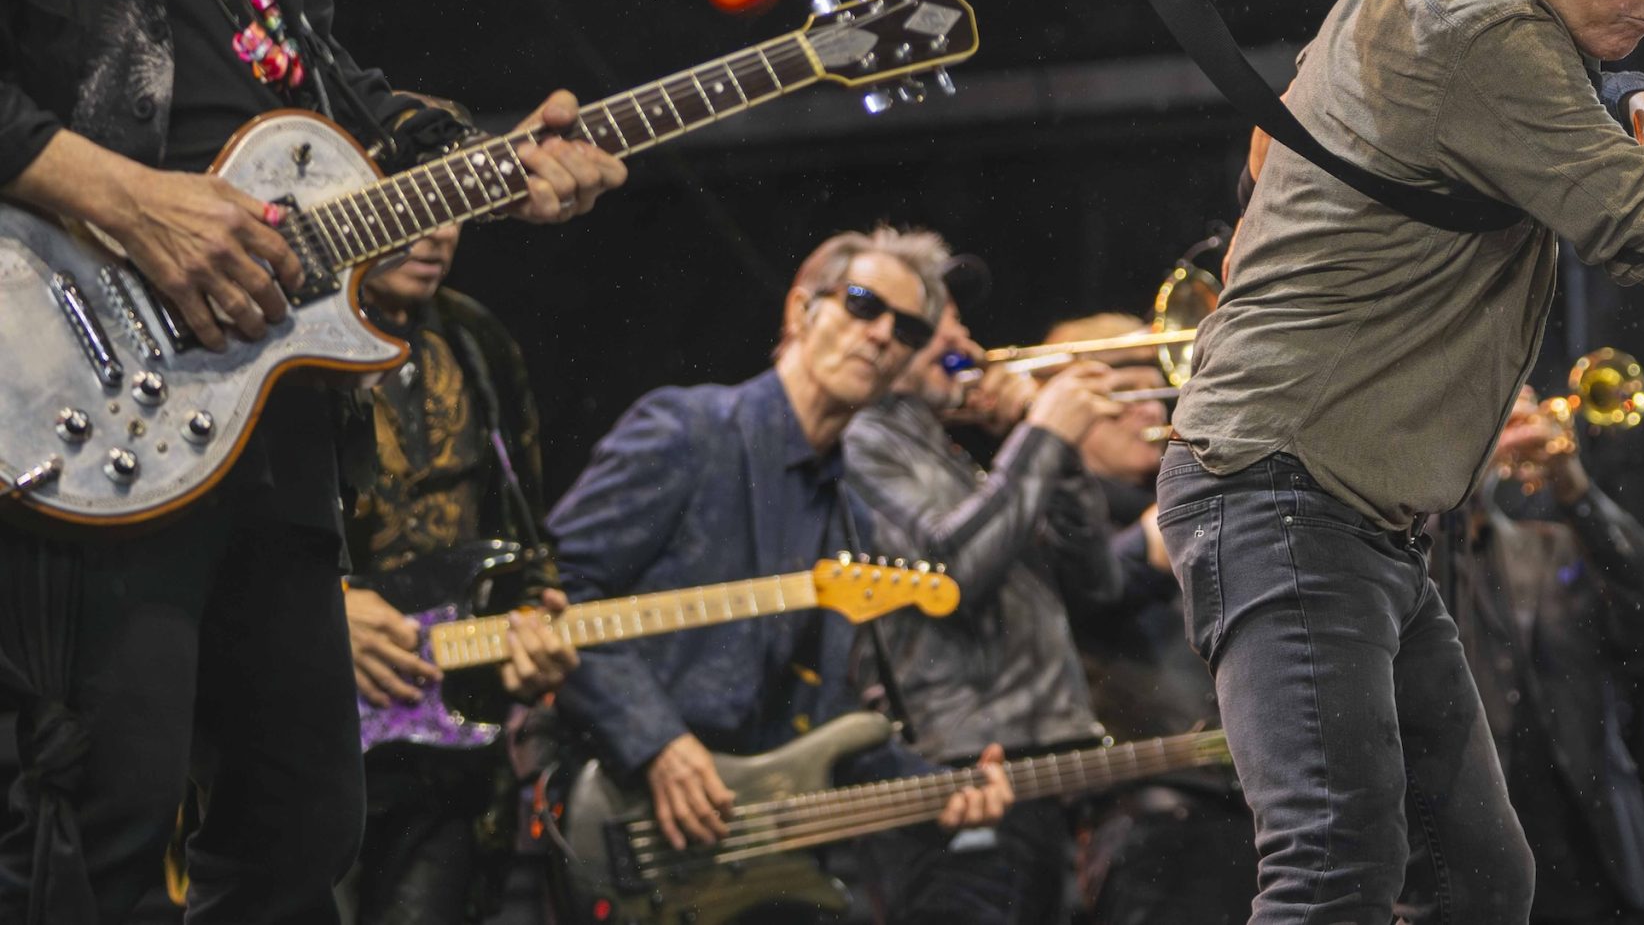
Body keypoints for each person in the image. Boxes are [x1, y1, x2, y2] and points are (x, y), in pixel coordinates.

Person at [0, 0, 624, 925]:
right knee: (91, 816)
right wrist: (111, 187)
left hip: (255, 417)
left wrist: (480, 159)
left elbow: (324, 87)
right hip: (64, 408)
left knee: (298, 827)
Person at [1162, 0, 1644, 924]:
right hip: (1284, 495)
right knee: (1333, 869)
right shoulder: (1485, 25)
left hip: (1342, 513)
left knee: (1474, 882)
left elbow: (1271, 161)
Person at [542, 228, 1012, 920]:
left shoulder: (853, 516)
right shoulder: (688, 429)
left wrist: (942, 792)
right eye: (861, 304)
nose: (883, 334)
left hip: (753, 862)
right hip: (627, 819)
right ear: (800, 311)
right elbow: (555, 592)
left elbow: (827, 725)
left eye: (908, 327)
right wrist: (655, 743)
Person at [838, 236, 1127, 925]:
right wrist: (1042, 437)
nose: (963, 335)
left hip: (1029, 777)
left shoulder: (948, 452)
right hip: (957, 781)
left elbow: (1095, 579)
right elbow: (951, 571)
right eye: (938, 316)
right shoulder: (864, 438)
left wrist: (1046, 442)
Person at [339, 215, 578, 925]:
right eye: (411, 206)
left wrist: (536, 621)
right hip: (300, 731)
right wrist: (324, 607)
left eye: (454, 210)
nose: (436, 233)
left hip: (445, 751)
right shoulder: (276, 332)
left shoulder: (475, 338)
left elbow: (521, 520)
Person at [1438, 390, 1644, 924]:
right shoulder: (1414, 556)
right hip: (1465, 869)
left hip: (1589, 864)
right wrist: (1466, 449)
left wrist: (1575, 488)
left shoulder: (1553, 548)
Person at [1059, 319, 1260, 925]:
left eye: (1155, 389)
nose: (1150, 407)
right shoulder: (1054, 506)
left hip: (1243, 808)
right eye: (1122, 395)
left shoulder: (1167, 495)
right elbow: (1077, 595)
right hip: (1152, 825)